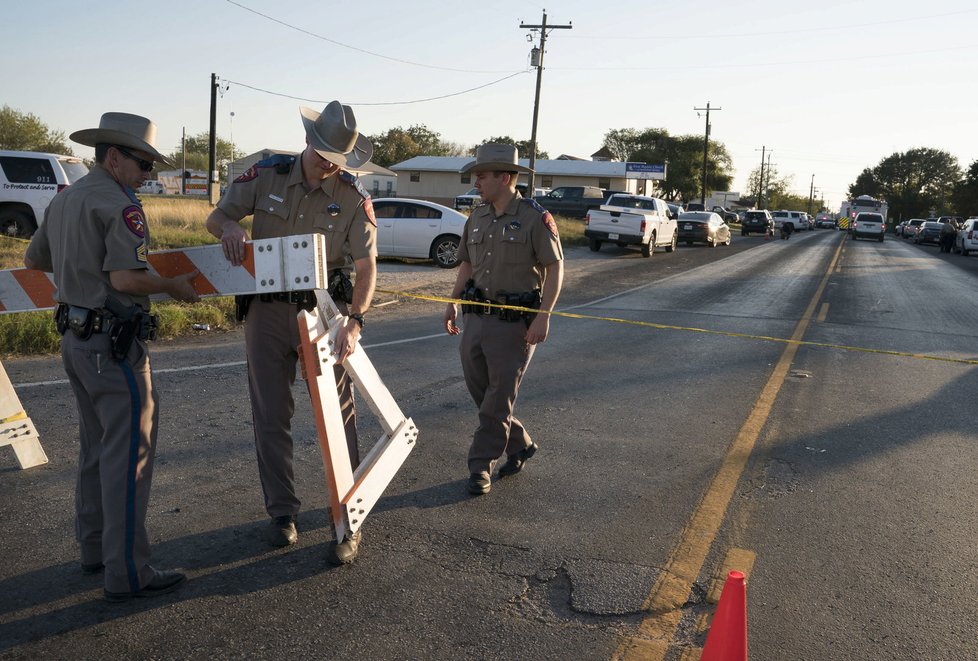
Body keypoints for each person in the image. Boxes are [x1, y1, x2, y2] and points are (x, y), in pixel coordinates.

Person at [24, 112, 200, 602]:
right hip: (112, 345)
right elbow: (125, 279)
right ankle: (127, 573)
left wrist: (77, 265)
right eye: (143, 163)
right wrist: (170, 286)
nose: (147, 174)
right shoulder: (122, 206)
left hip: (75, 341)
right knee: (129, 459)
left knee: (96, 447)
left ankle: (94, 549)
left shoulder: (66, 200)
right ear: (114, 157)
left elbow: (34, 260)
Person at [205, 101, 376, 564]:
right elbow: (217, 217)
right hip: (266, 313)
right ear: (308, 142)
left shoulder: (354, 196)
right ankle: (282, 514)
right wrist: (228, 232)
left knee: (340, 419)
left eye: (338, 161)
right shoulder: (266, 174)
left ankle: (348, 520)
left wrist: (355, 320)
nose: (329, 166)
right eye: (323, 156)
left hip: (325, 316)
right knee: (270, 414)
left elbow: (365, 266)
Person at [443, 144, 564, 495]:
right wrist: (452, 302)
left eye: (482, 175)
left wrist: (544, 316)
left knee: (497, 398)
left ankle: (480, 465)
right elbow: (466, 263)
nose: (476, 181)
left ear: (505, 177)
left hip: (515, 325)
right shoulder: (476, 217)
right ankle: (519, 442)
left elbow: (555, 267)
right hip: (476, 318)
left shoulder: (534, 217)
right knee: (480, 389)